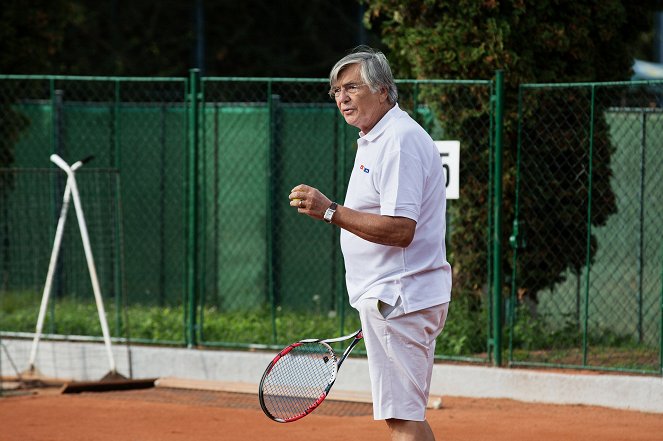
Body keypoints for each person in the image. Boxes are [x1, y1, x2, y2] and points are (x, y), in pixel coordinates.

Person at [289, 46, 451, 441]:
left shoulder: (398, 140)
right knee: (406, 416)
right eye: (335, 91)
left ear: (382, 90)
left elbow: (401, 229)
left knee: (403, 421)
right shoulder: (377, 138)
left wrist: (330, 210)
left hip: (400, 297)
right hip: (394, 296)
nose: (342, 98)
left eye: (351, 87)